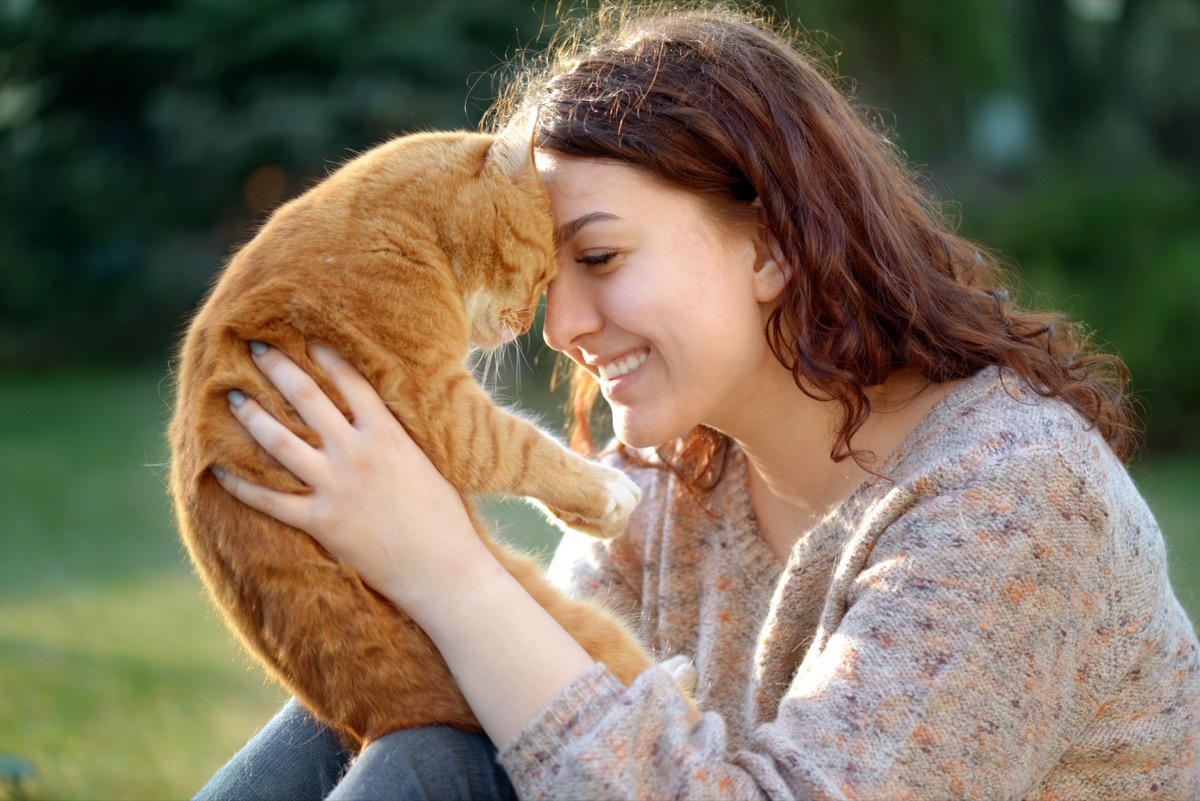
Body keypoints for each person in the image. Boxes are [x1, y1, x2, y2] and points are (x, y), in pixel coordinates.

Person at [195, 2, 1200, 799]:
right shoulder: (667, 472)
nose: (562, 327)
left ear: (770, 243)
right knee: (405, 719)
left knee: (442, 764)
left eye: (599, 256)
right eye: (550, 278)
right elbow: (555, 738)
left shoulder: (1017, 500)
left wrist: (447, 571)